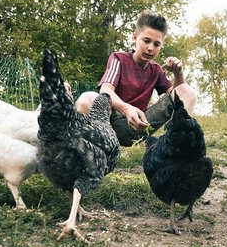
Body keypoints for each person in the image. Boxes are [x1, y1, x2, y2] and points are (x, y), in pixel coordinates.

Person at [75, 10, 197, 146]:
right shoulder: (119, 59)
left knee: (188, 92)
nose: (150, 48)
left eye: (156, 44)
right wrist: (126, 109)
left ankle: (178, 147)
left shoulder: (156, 70)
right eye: (146, 41)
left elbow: (179, 96)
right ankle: (83, 150)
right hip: (108, 125)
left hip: (139, 126)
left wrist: (178, 73)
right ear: (135, 37)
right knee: (87, 98)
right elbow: (105, 90)